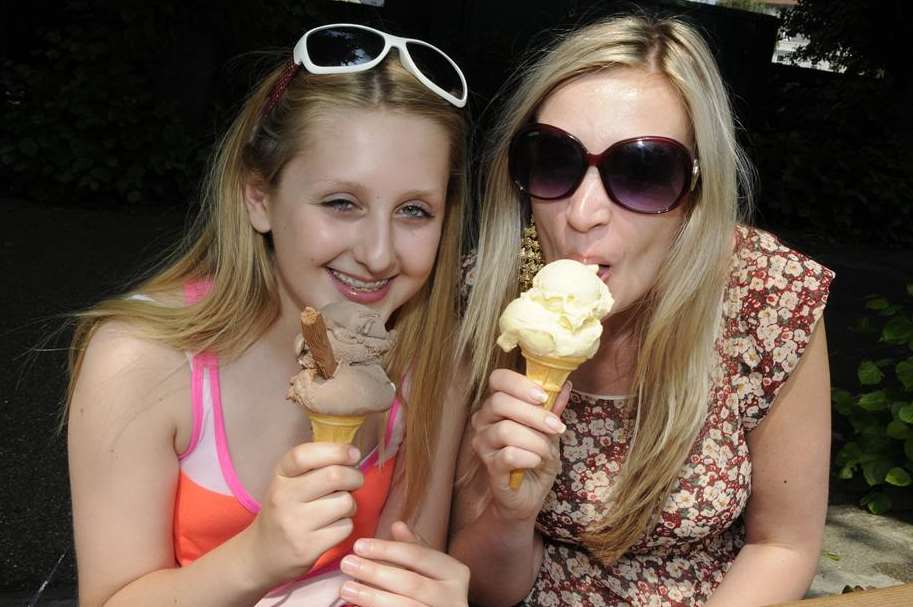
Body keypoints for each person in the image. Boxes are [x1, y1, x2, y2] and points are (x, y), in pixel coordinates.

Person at [67, 23, 471, 607]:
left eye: (414, 210)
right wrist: (255, 558)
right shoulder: (141, 363)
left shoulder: (434, 360)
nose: (379, 254)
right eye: (341, 202)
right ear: (259, 196)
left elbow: (405, 559)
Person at [451, 14, 833, 607]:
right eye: (553, 159)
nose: (582, 213)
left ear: (696, 193)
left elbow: (783, 545)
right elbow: (486, 589)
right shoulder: (480, 299)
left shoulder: (768, 296)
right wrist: (508, 513)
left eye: (643, 173)